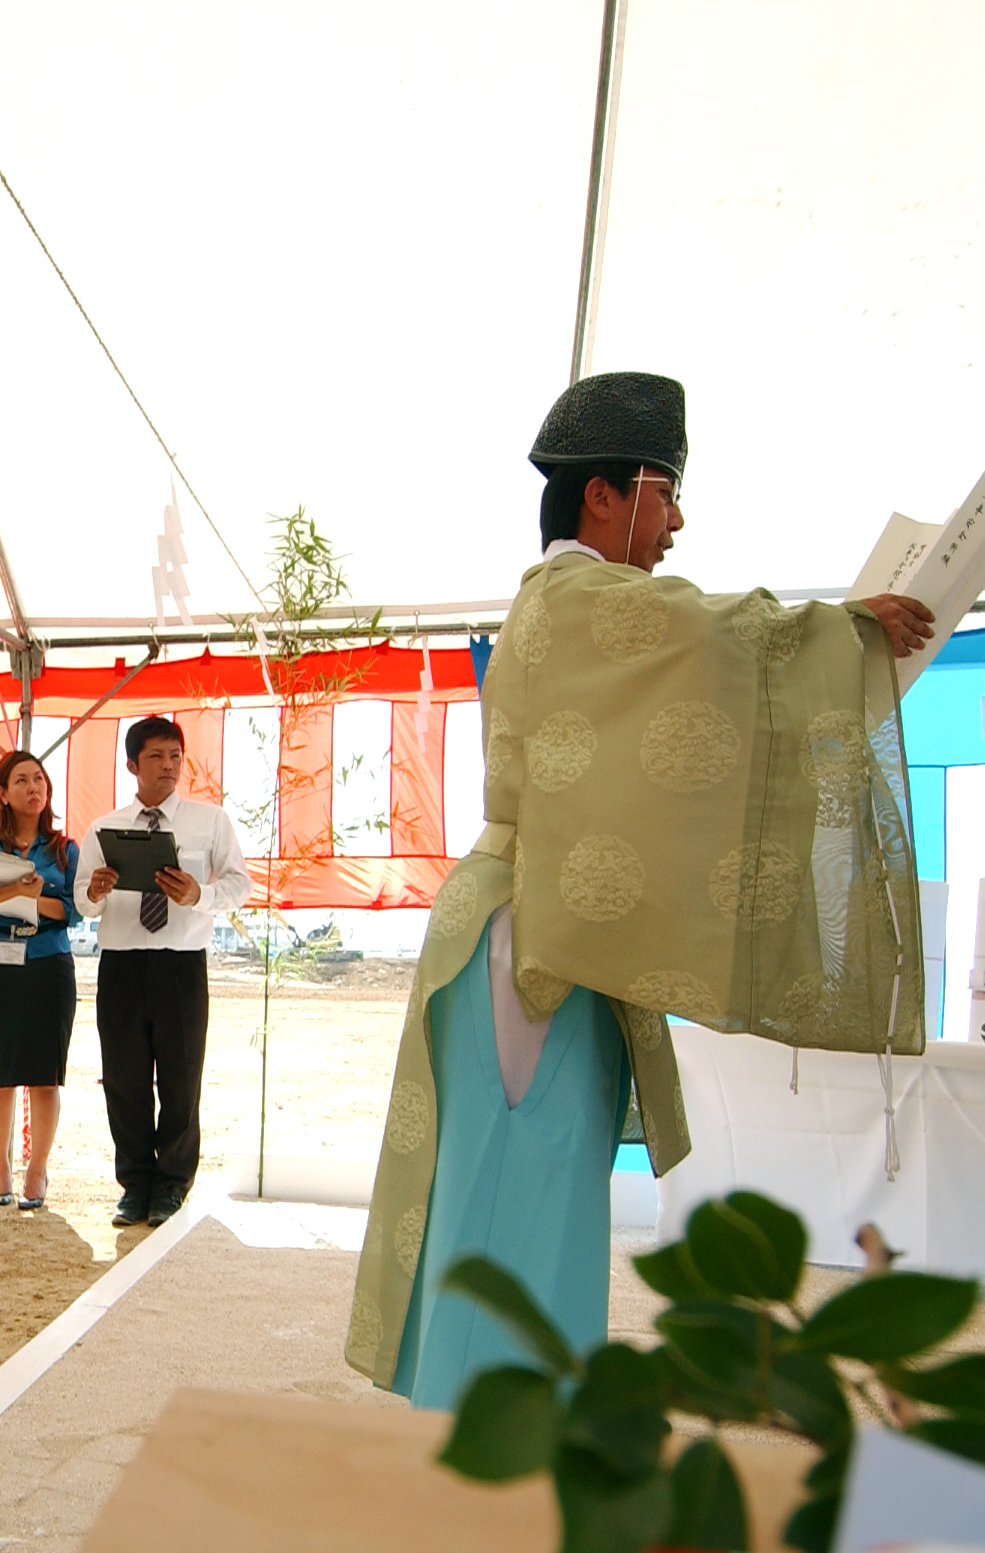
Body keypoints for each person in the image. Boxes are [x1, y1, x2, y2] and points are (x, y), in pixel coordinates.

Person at [343, 370, 936, 1412]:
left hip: (545, 932)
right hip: (524, 939)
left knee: (536, 1190)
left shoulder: (572, 605)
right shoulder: (576, 599)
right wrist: (842, 634)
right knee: (510, 1194)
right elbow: (714, 637)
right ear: (602, 496)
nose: (674, 521)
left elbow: (683, 696)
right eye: (664, 491)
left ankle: (507, 1439)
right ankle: (476, 1447)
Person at [77, 717, 250, 1228]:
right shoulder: (104, 828)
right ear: (132, 765)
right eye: (156, 756)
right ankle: (134, 1186)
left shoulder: (209, 820)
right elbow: (82, 904)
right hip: (122, 966)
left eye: (176, 755)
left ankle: (171, 1186)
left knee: (180, 1079)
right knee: (124, 1081)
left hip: (181, 966)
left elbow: (242, 885)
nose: (169, 766)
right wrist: (97, 890)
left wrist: (201, 896)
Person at [0, 750, 78, 1209]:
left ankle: (37, 1170)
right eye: (23, 781)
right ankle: (0, 1167)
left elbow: (70, 909)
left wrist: (18, 896)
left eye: (40, 781)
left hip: (50, 964)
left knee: (45, 1077)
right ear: (2, 793)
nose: (34, 789)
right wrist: (24, 891)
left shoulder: (64, 849)